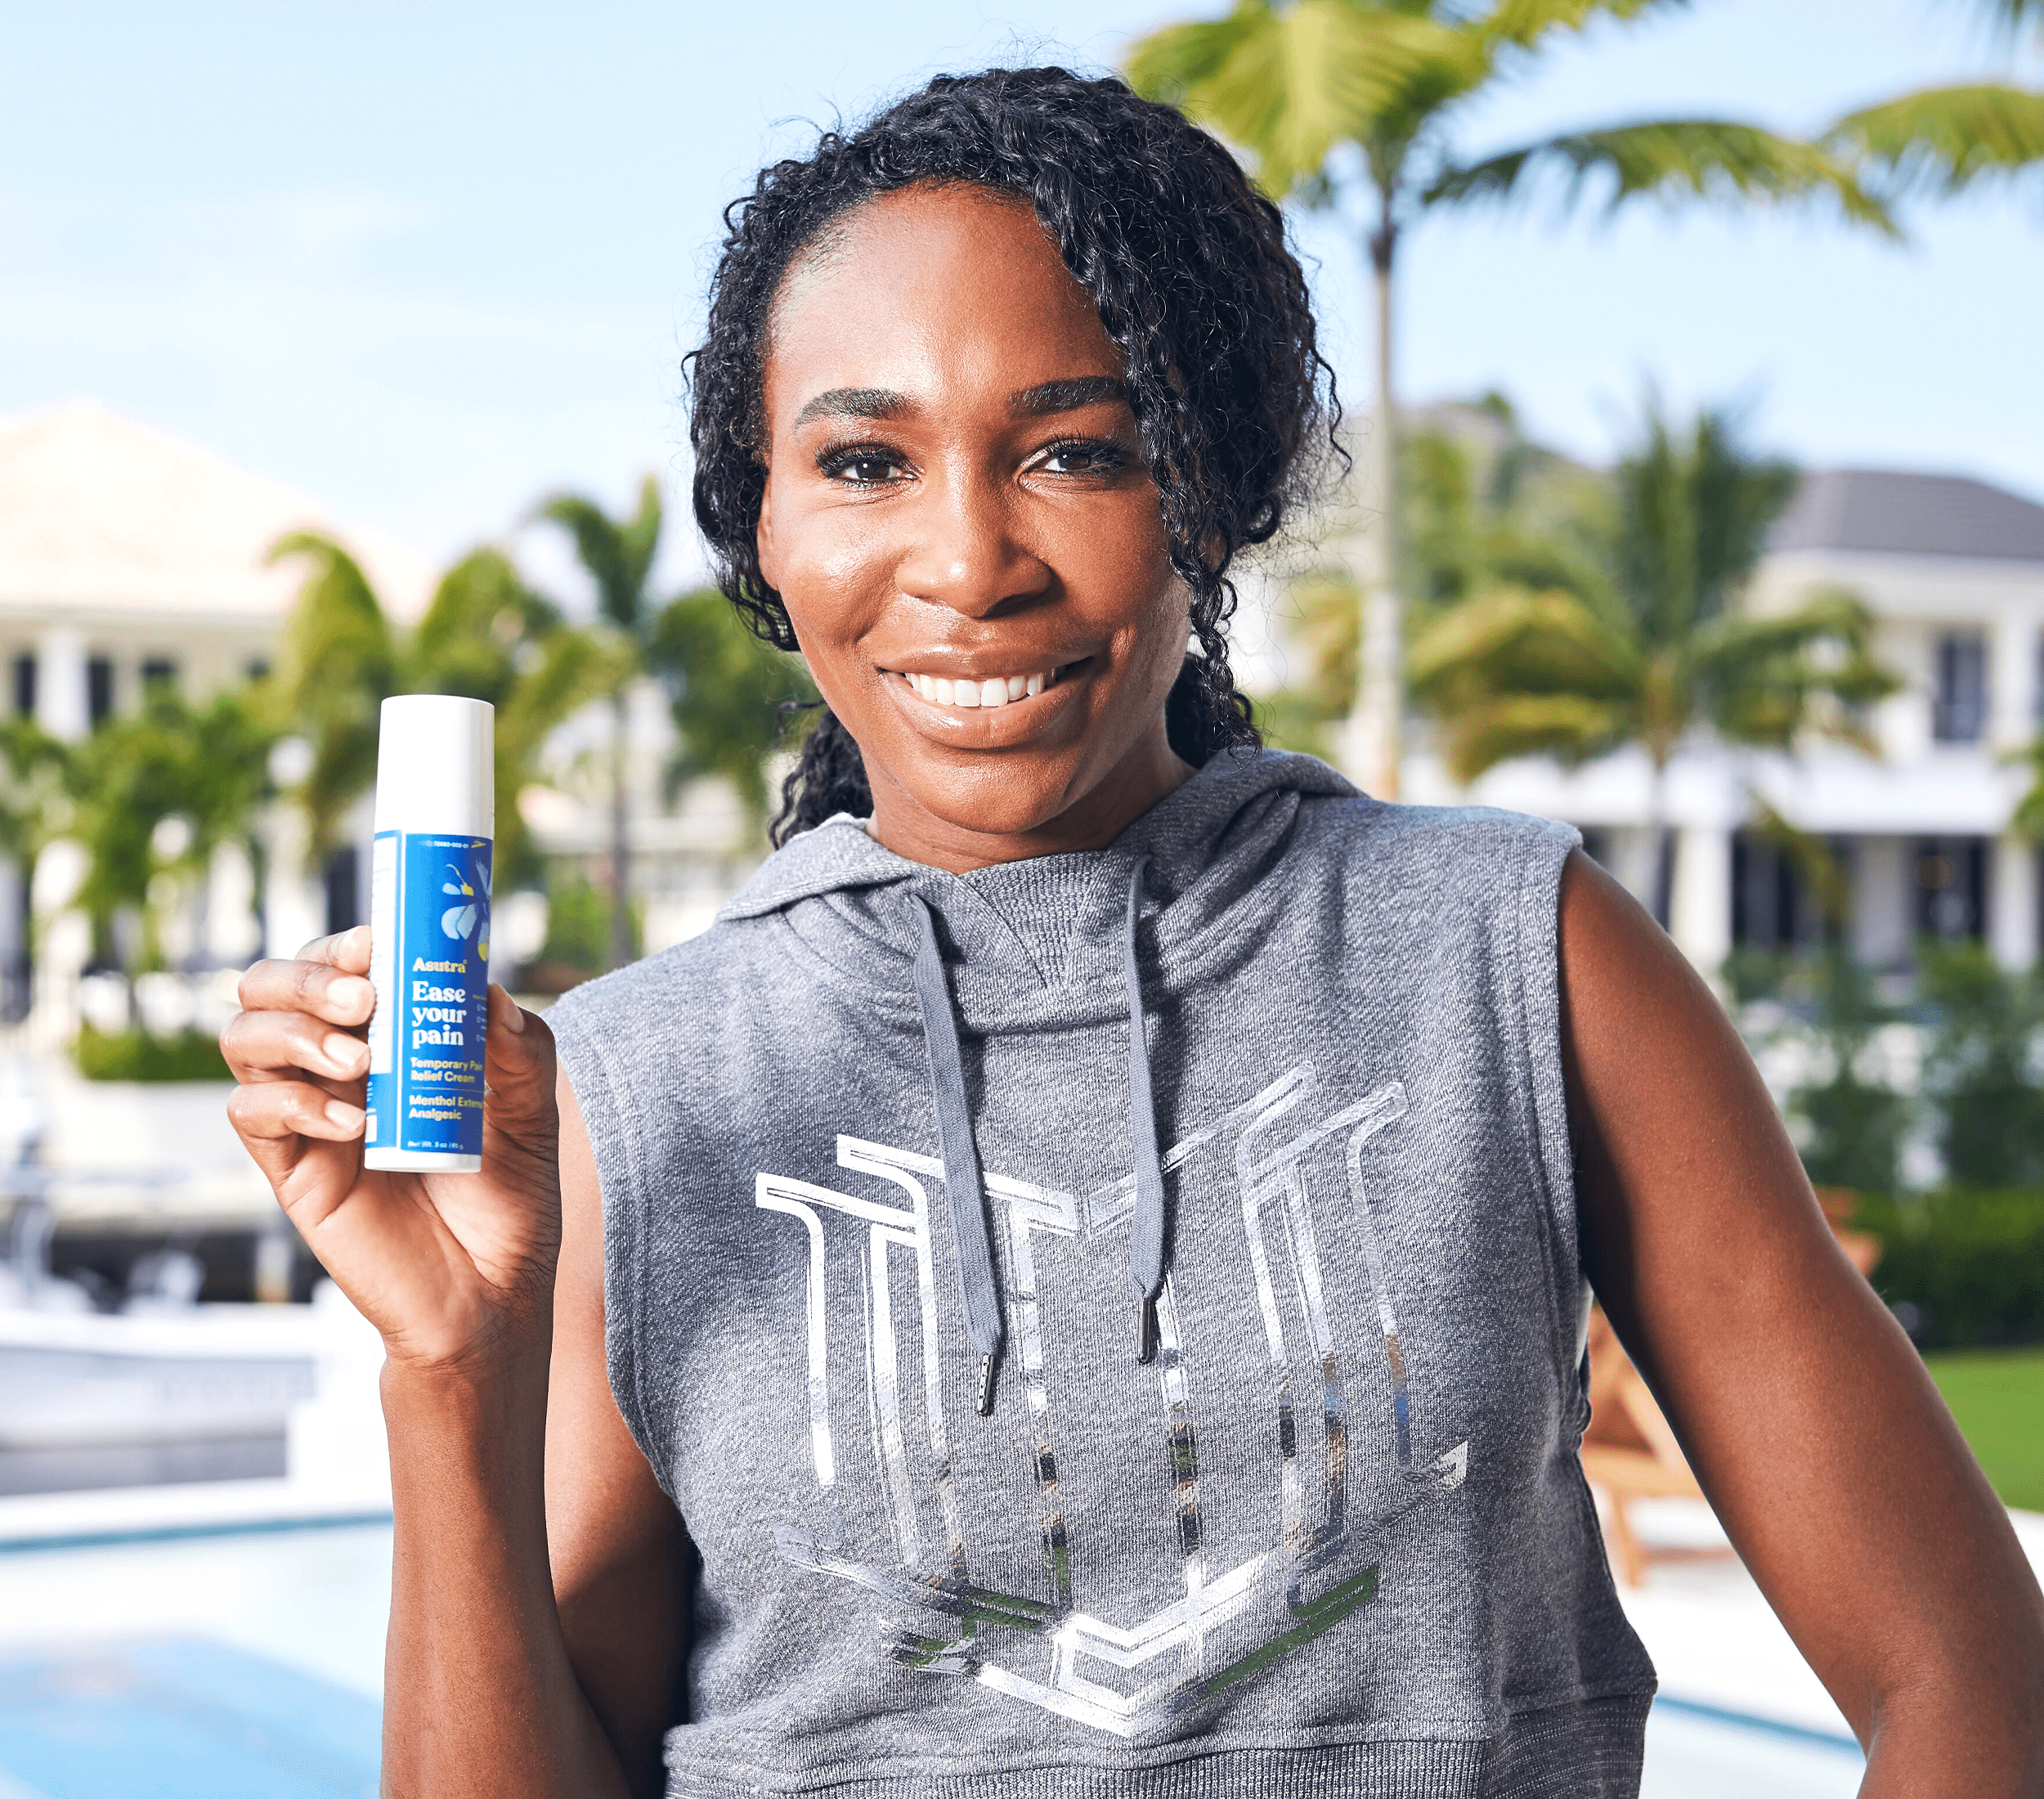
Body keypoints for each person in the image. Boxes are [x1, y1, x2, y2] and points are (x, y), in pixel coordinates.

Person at [224, 66, 2043, 1799]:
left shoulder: (1517, 955)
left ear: (1215, 489)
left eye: (1072, 450)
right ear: (758, 523)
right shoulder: (630, 1086)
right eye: (864, 462)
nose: (964, 559)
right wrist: (449, 1366)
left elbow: (1963, 1670)